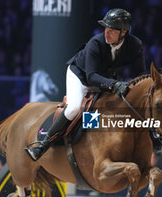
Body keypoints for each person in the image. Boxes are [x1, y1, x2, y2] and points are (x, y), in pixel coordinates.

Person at [26, 8, 146, 160]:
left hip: (105, 77)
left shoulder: (135, 45)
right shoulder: (96, 43)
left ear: (124, 32)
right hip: (81, 75)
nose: (107, 33)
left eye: (112, 30)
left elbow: (141, 74)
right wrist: (114, 84)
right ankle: (43, 144)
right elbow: (91, 76)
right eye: (106, 28)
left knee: (108, 107)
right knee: (75, 107)